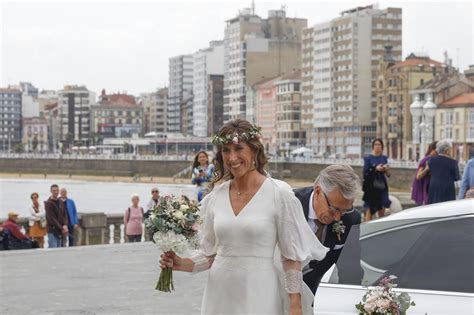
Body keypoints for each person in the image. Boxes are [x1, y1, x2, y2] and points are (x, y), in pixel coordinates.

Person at [160, 119, 328, 315]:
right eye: (226, 151)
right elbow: (211, 254)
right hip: (219, 293)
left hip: (260, 291)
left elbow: (290, 258)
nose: (232, 158)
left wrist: (295, 305)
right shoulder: (215, 197)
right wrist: (184, 263)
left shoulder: (279, 194)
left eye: (239, 149)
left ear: (254, 150)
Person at [294, 165, 363, 294]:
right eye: (334, 209)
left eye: (344, 211)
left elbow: (351, 269)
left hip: (313, 295)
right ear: (318, 192)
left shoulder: (351, 219)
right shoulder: (290, 204)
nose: (337, 218)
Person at [362, 138, 391, 221]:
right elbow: (365, 172)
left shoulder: (384, 158)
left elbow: (388, 175)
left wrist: (387, 169)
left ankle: (380, 228)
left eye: (379, 145)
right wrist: (375, 168)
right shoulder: (368, 158)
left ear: (382, 147)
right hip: (371, 187)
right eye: (376, 145)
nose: (377, 146)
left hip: (382, 186)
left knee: (382, 207)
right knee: (370, 210)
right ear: (373, 146)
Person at [411, 141, 438, 206]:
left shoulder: (436, 159)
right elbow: (418, 176)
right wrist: (426, 169)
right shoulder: (426, 160)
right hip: (424, 188)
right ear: (433, 150)